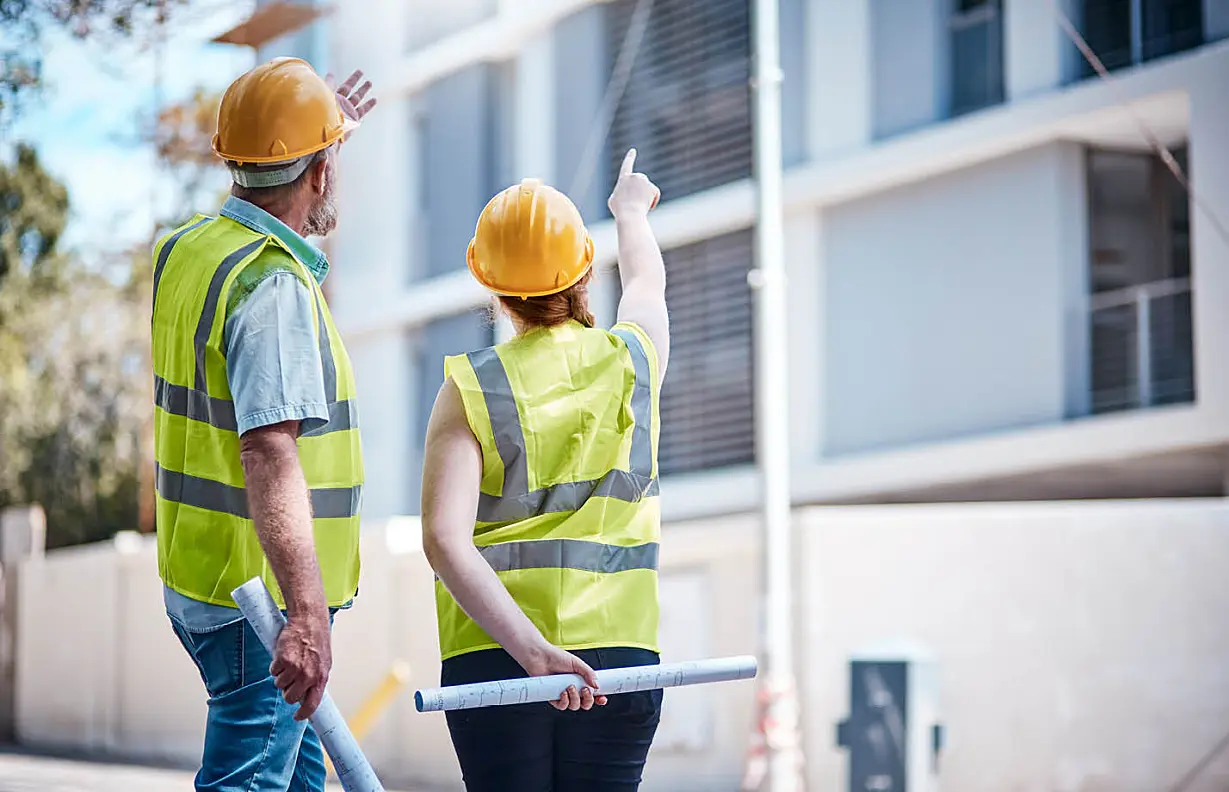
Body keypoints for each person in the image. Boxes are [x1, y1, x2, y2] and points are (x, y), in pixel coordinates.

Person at [150, 57, 377, 792]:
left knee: (299, 780)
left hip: (201, 576)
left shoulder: (187, 252)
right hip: (263, 610)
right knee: (246, 783)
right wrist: (306, 619)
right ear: (318, 175)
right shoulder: (273, 286)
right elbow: (269, 451)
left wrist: (315, 135)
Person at [420, 148, 669, 791]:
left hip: (495, 658)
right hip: (617, 653)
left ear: (492, 285)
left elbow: (444, 541)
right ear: (584, 270)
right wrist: (631, 212)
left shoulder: (471, 386)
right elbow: (647, 286)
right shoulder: (631, 364)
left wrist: (531, 654)